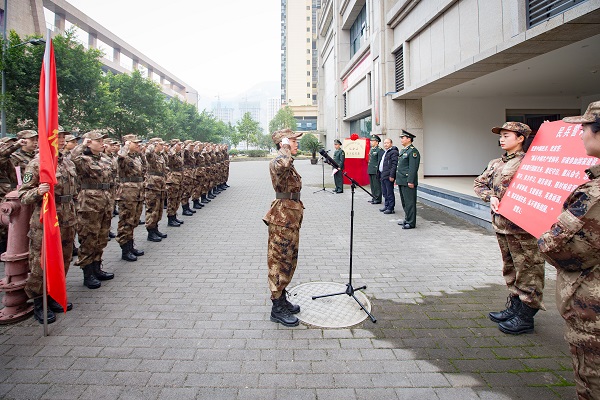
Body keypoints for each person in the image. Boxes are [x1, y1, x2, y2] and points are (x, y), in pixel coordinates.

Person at [537, 101, 600, 399]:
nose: (581, 135)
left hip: (592, 311)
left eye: (584, 128)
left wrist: (544, 235)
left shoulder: (594, 195)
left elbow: (558, 248)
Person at [474, 122, 546, 335]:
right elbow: (479, 183)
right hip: (501, 225)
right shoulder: (496, 163)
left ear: (521, 138)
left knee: (529, 269)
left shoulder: (531, 163)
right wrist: (490, 196)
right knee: (510, 267)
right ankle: (515, 307)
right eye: (501, 135)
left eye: (507, 135)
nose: (502, 139)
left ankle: (526, 315)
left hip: (522, 229)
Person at [18, 128, 77, 323]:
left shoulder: (67, 162)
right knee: (40, 263)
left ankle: (53, 295)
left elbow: (74, 191)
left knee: (64, 259)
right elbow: (23, 196)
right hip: (46, 220)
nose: (61, 139)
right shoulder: (37, 163)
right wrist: (37, 191)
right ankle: (39, 302)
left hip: (67, 218)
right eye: (57, 136)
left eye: (63, 136)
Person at [263, 128, 304, 327]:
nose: (296, 144)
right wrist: (286, 146)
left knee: (289, 259)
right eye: (293, 141)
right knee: (279, 261)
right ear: (283, 143)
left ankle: (282, 297)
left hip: (290, 217)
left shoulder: (288, 162)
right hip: (282, 220)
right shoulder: (278, 162)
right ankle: (276, 308)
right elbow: (282, 164)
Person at [70, 130, 115, 289]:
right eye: (98, 141)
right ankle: (87, 273)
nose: (102, 143)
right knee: (88, 238)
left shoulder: (104, 158)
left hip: (105, 202)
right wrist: (82, 145)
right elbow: (72, 158)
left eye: (103, 140)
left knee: (101, 237)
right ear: (89, 142)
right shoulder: (82, 159)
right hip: (89, 204)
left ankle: (97, 267)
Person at [116, 134, 145, 261]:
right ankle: (125, 250)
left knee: (133, 220)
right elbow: (120, 157)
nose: (138, 144)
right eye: (135, 143)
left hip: (137, 193)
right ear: (128, 143)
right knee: (126, 221)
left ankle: (130, 246)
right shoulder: (123, 157)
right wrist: (125, 147)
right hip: (127, 194)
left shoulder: (135, 157)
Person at [144, 137, 168, 242]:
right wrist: (151, 146)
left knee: (159, 208)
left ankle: (155, 228)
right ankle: (150, 232)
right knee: (152, 208)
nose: (163, 146)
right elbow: (148, 153)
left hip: (160, 185)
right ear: (154, 145)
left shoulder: (160, 155)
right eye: (160, 144)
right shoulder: (151, 155)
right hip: (152, 185)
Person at [396, 130, 421, 229]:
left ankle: (411, 222)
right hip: (402, 180)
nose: (401, 140)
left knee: (410, 202)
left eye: (403, 138)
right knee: (404, 202)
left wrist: (410, 181)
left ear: (409, 139)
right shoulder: (404, 150)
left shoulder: (413, 151)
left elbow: (413, 168)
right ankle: (407, 219)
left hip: (408, 181)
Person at [379, 138, 399, 214]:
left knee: (389, 192)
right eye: (384, 143)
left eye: (387, 143)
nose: (386, 144)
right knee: (385, 192)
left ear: (391, 143)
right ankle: (386, 205)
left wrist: (392, 175)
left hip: (388, 176)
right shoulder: (386, 152)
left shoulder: (393, 152)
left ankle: (391, 208)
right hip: (383, 174)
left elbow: (394, 165)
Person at [367, 134, 384, 204]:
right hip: (371, 169)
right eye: (371, 141)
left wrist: (378, 171)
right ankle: (374, 197)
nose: (371, 142)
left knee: (377, 185)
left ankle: (378, 198)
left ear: (377, 142)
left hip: (376, 170)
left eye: (373, 141)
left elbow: (380, 161)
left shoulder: (379, 150)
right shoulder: (372, 149)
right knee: (372, 185)